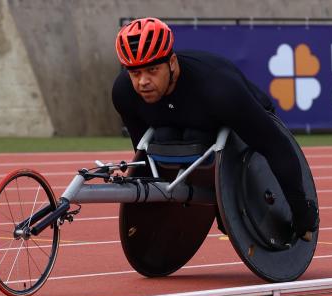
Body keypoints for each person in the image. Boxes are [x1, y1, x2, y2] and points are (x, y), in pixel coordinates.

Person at [112, 17, 319, 241]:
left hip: (237, 115)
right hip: (183, 123)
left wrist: (301, 209)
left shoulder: (219, 90)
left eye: (152, 70)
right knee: (167, 139)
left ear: (172, 63)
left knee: (197, 136)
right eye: (135, 73)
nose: (143, 81)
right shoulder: (124, 93)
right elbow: (142, 149)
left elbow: (276, 146)